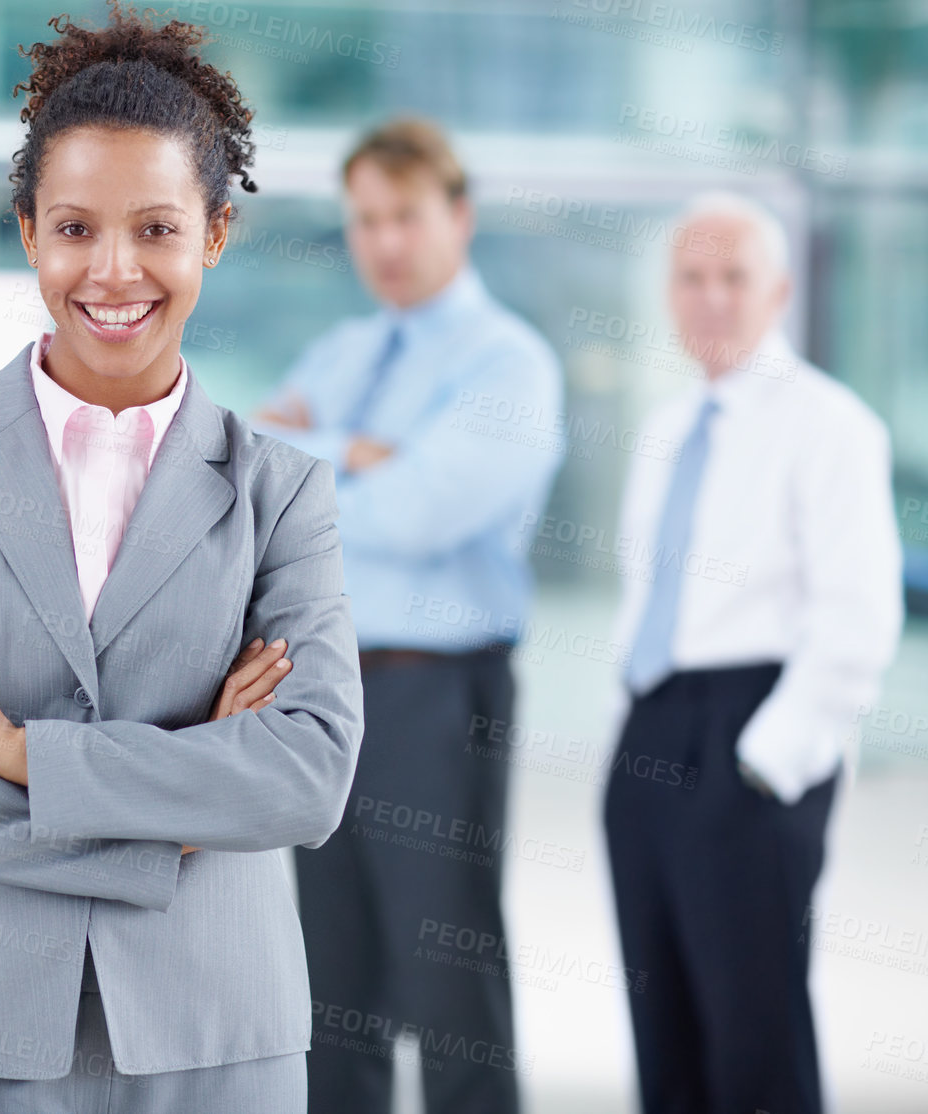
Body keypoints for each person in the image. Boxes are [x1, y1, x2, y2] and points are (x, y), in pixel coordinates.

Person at [0, 2, 364, 1113]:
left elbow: (306, 775)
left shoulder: (283, 494)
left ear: (214, 233)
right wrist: (173, 820)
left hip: (213, 1040)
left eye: (157, 229)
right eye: (74, 228)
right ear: (27, 231)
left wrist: (13, 746)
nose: (113, 271)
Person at [253, 117, 563, 1114]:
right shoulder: (343, 350)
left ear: (458, 217)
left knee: (445, 968)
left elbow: (422, 509)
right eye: (365, 220)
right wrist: (369, 447)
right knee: (333, 979)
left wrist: (323, 453)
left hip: (437, 691)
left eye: (406, 215)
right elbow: (257, 476)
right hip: (321, 689)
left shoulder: (508, 362)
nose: (384, 241)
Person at [603, 191, 902, 1114]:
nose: (711, 298)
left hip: (752, 733)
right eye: (691, 278)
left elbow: (857, 615)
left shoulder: (830, 424)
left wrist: (769, 766)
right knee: (667, 1038)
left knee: (754, 1034)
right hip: (653, 730)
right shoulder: (664, 431)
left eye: (734, 277)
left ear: (778, 289)